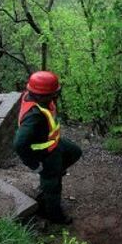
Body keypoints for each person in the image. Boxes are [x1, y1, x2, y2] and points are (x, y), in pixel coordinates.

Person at [13, 71, 82, 224]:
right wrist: (34, 165)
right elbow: (19, 143)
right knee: (53, 187)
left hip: (53, 143)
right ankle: (54, 215)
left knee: (75, 152)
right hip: (44, 153)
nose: (56, 96)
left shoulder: (38, 99)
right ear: (41, 95)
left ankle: (52, 175)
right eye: (53, 94)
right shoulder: (34, 116)